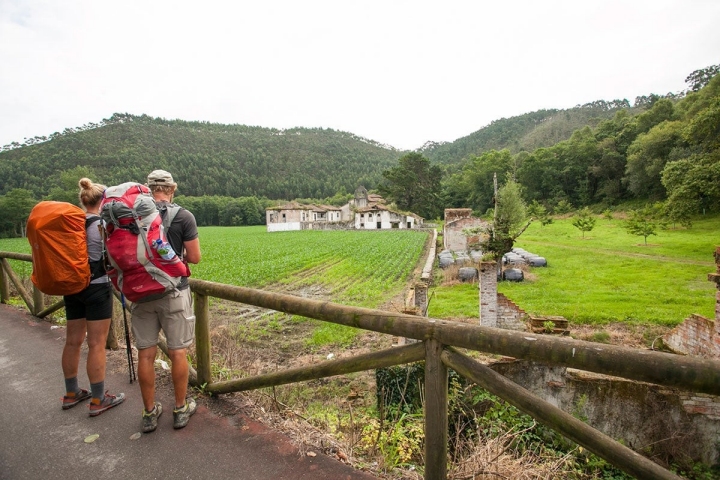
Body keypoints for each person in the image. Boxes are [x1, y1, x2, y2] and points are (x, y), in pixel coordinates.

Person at [132, 169, 201, 433]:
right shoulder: (183, 216)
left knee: (146, 353)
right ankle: (180, 409)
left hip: (139, 293)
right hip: (173, 292)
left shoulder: (132, 216)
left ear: (147, 189)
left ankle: (149, 413)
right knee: (177, 351)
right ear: (172, 189)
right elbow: (194, 257)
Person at [62, 178, 125, 415]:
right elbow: (112, 258)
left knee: (72, 341)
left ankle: (71, 393)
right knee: (97, 343)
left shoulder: (71, 225)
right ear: (103, 200)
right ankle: (98, 399)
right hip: (97, 287)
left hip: (72, 287)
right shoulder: (101, 226)